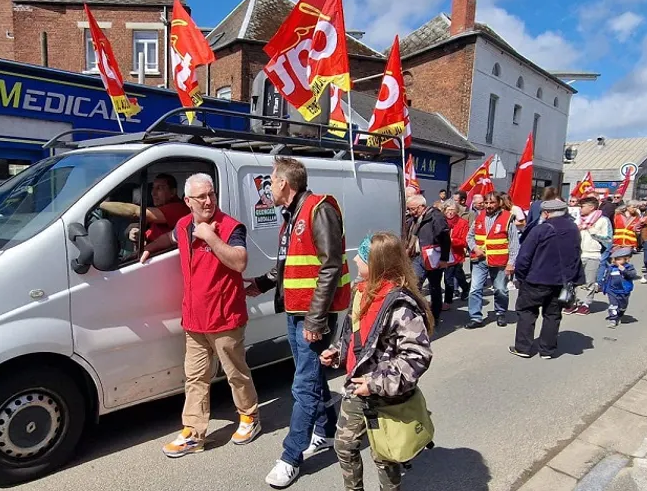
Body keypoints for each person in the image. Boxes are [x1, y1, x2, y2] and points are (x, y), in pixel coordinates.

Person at [140, 174, 261, 457]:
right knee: (195, 378)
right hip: (194, 320)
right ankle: (193, 433)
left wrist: (212, 237)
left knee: (236, 375)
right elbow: (169, 238)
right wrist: (148, 247)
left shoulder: (231, 226)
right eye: (201, 197)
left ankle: (250, 417)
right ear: (187, 201)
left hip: (225, 317)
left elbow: (240, 261)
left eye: (211, 195)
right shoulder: (183, 225)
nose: (208, 201)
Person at [248, 157, 351, 489]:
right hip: (297, 311)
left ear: (284, 184)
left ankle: (291, 457)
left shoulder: (319, 210)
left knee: (303, 385)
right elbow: (289, 266)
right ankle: (326, 429)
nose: (268, 186)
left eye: (272, 180)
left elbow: (330, 266)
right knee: (312, 376)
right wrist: (260, 285)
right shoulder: (292, 216)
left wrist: (316, 319)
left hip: (311, 316)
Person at [322, 233, 435, 491]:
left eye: (361, 257)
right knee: (344, 445)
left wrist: (376, 384)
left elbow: (417, 356)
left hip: (382, 393)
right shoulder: (361, 292)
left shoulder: (400, 305)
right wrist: (338, 352)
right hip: (356, 389)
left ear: (376, 264)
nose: (353, 259)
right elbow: (355, 336)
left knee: (385, 455)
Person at [510, 199, 583, 359]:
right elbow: (577, 255)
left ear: (546, 213)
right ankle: (547, 350)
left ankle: (523, 347)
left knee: (527, 312)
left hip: (536, 279)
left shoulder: (540, 230)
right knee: (553, 314)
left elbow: (524, 257)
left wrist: (520, 276)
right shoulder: (573, 228)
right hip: (561, 281)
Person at [465, 191, 519, 329]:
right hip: (480, 259)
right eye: (486, 202)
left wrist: (511, 263)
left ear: (499, 203)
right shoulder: (479, 217)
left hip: (500, 261)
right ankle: (475, 317)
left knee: (500, 289)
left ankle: (500, 313)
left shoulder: (508, 219)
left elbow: (514, 243)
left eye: (492, 202)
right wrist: (474, 247)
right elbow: (469, 236)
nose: (488, 205)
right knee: (475, 289)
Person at [101, 173, 189, 245]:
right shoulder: (158, 208)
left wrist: (100, 204)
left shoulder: (179, 208)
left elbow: (136, 212)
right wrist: (133, 231)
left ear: (173, 192)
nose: (153, 193)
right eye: (153, 188)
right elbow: (141, 224)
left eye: (159, 188)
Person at [407, 195, 451, 320]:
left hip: (433, 257)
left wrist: (444, 258)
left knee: (434, 286)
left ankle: (435, 316)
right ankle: (416, 313)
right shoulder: (414, 218)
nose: (411, 212)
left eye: (413, 209)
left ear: (422, 206)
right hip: (418, 256)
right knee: (414, 285)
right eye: (409, 209)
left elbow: (445, 238)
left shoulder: (436, 217)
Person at [567, 196, 612, 315]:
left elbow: (608, 238)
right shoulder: (577, 220)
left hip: (593, 254)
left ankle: (586, 303)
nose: (580, 209)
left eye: (582, 206)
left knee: (589, 281)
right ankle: (572, 302)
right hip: (577, 253)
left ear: (591, 207)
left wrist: (592, 230)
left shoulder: (603, 220)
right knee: (573, 280)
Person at [601, 247, 638, 328]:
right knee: (613, 305)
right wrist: (604, 287)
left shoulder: (629, 267)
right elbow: (606, 278)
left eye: (619, 259)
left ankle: (620, 314)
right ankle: (613, 319)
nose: (617, 261)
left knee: (623, 306)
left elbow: (632, 275)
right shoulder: (611, 268)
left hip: (624, 290)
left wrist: (624, 270)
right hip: (612, 290)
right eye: (616, 259)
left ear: (626, 259)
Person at [442, 203, 471, 304]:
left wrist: (452, 240)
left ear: (457, 211)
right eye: (448, 209)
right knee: (453, 275)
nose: (450, 212)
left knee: (453, 276)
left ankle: (448, 300)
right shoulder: (441, 222)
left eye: (452, 210)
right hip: (442, 254)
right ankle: (465, 288)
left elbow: (464, 241)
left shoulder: (462, 223)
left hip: (456, 254)